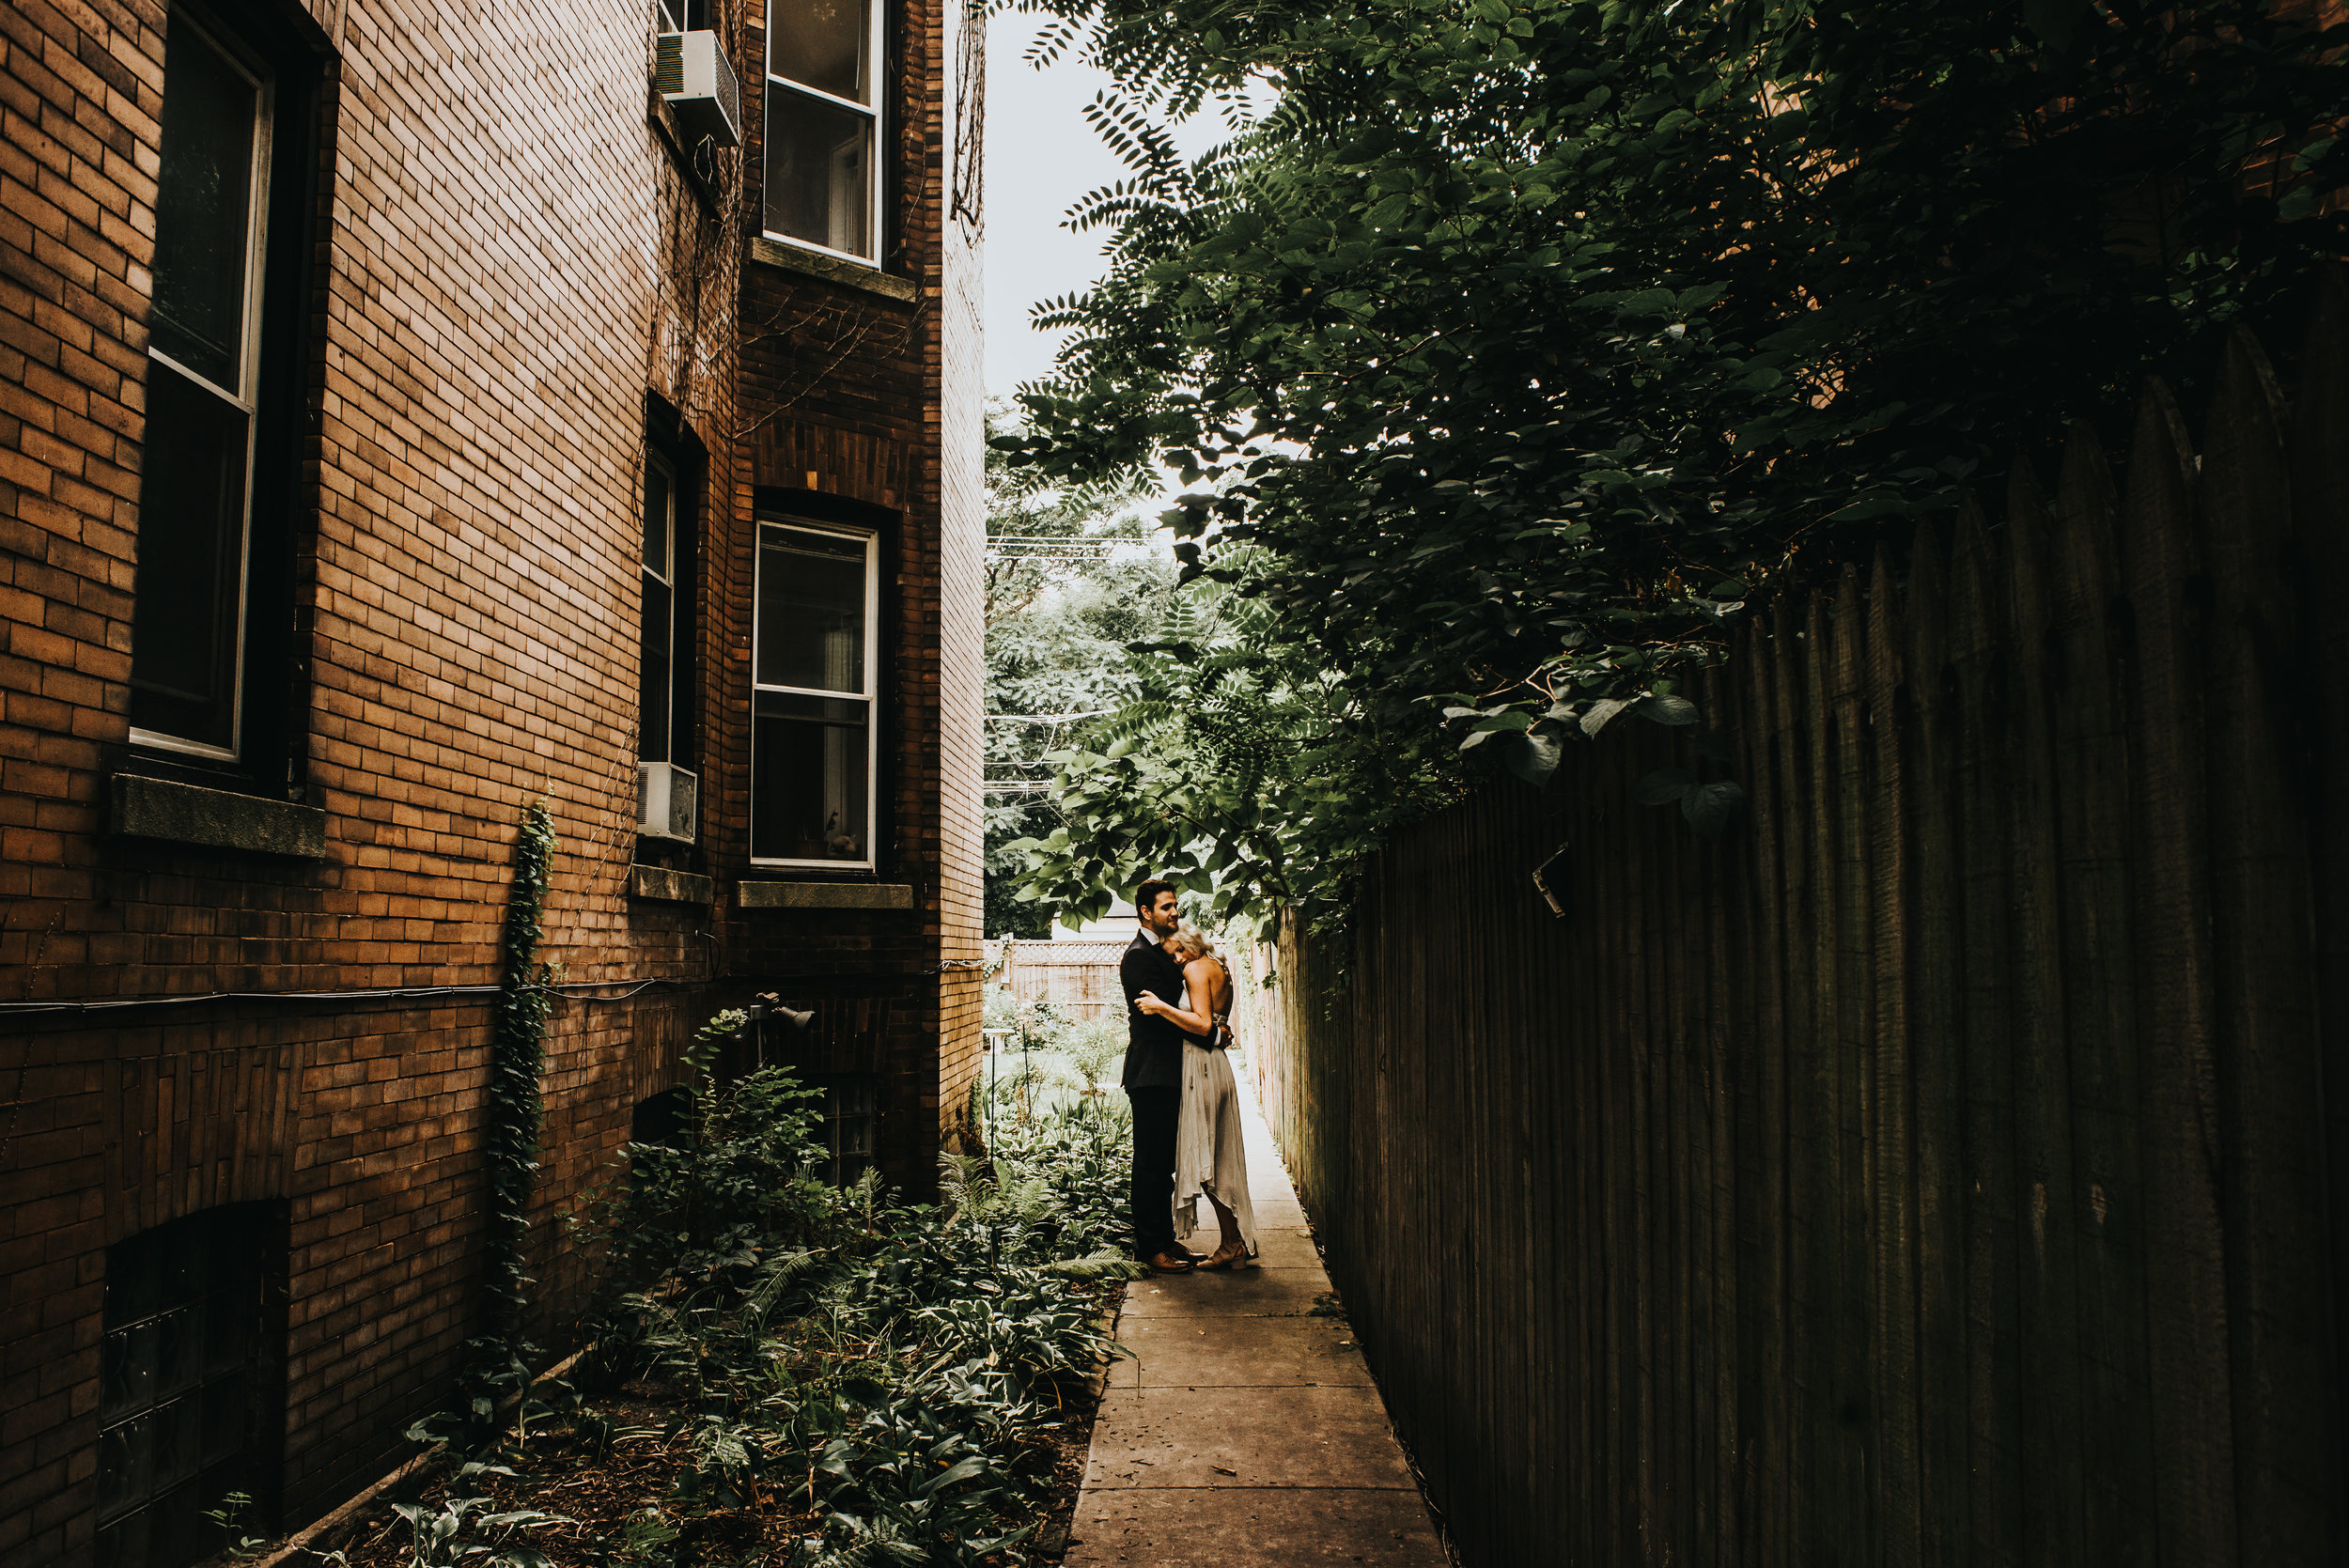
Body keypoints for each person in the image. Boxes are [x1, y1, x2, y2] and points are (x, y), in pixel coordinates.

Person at [1136, 922, 1257, 1270]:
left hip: (1201, 1066)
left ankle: (1233, 1242)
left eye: (1177, 950)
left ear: (1192, 943)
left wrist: (1161, 1007)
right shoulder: (1217, 965)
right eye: (1171, 953)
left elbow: (1204, 1025)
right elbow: (1216, 1025)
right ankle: (1235, 1242)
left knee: (1205, 1156)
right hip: (1215, 1063)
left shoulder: (1194, 968)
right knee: (1218, 1155)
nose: (1175, 959)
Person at [1119, 878, 1196, 1274]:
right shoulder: (1138, 957)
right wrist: (1208, 1030)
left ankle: (1166, 1240)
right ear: (1146, 912)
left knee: (1163, 1161)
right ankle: (1151, 1248)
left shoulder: (1165, 952)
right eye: (1167, 907)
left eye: (1175, 905)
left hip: (1168, 1072)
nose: (1175, 912)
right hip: (1150, 1074)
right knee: (1150, 1164)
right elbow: (1163, 1015)